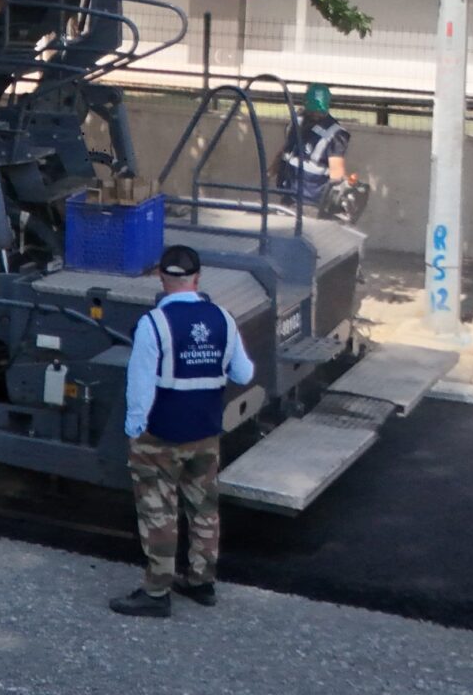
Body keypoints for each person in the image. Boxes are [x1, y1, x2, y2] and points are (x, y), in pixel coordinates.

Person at [112, 245, 254, 618]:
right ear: (198, 278)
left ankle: (156, 593)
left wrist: (134, 429)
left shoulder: (154, 324)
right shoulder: (223, 318)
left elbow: (140, 385)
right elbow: (244, 374)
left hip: (160, 435)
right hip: (205, 432)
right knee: (204, 508)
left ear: (161, 277)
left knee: (158, 511)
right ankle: (201, 582)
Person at [276, 83, 354, 209]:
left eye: (318, 110)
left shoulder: (336, 133)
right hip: (289, 193)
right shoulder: (298, 122)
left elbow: (336, 171)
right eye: (313, 110)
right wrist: (270, 172)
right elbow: (286, 151)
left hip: (312, 200)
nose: (316, 114)